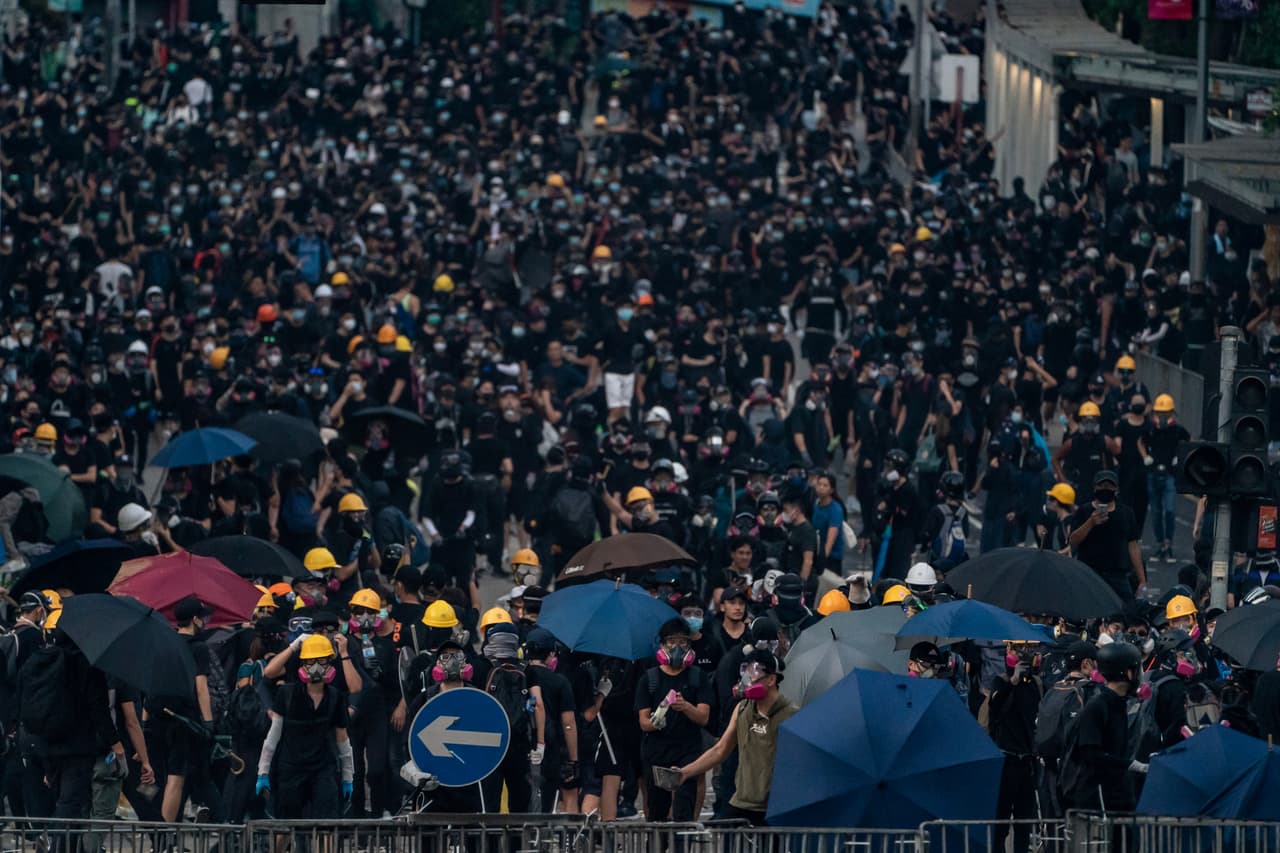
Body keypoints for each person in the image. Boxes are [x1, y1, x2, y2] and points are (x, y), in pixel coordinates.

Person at [676, 649, 796, 826]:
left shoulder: (790, 715)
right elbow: (720, 749)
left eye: (755, 674)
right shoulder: (742, 709)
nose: (748, 680)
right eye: (746, 672)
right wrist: (685, 772)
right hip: (742, 800)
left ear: (772, 679)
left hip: (773, 805)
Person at [255, 634, 354, 820]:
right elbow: (273, 736)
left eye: (321, 660)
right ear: (302, 664)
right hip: (291, 768)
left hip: (323, 768)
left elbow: (343, 739)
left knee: (326, 827)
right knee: (285, 827)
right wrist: (263, 772)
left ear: (330, 662)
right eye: (310, 661)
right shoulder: (286, 694)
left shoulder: (335, 697)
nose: (316, 666)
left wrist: (348, 776)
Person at [636, 618, 712, 822]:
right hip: (656, 752)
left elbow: (704, 717)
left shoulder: (698, 677)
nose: (677, 647)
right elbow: (643, 722)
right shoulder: (649, 679)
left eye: (683, 642)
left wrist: (686, 707)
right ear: (662, 645)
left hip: (688, 751)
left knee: (683, 807)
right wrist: (656, 721)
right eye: (671, 642)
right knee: (657, 811)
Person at [1059, 641, 1147, 812]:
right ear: (1128, 673)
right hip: (1098, 800)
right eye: (1137, 669)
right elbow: (1090, 753)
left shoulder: (1119, 703)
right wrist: (1129, 765)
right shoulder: (1097, 706)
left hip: (1116, 796)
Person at [524, 628, 580, 813]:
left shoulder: (520, 675)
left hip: (522, 745)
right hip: (550, 748)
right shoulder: (560, 681)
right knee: (546, 803)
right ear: (550, 654)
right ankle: (542, 839)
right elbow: (568, 722)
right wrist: (573, 759)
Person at [1068, 470, 1147, 601]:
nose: (1106, 489)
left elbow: (1133, 547)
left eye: (1109, 486)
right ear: (1094, 488)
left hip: (1117, 574)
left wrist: (1142, 581)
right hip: (1089, 573)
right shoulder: (1084, 511)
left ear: (1116, 489)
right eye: (1102, 485)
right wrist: (1091, 522)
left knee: (1125, 613)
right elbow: (1072, 541)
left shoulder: (1126, 513)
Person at [1146, 394, 1189, 562]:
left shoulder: (1178, 430)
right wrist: (1146, 457)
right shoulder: (1150, 429)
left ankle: (1168, 543)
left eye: (1166, 413)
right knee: (1156, 511)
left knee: (1170, 510)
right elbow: (1141, 442)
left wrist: (1179, 457)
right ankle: (1159, 543)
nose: (1162, 417)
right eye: (1160, 413)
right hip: (1154, 473)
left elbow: (1188, 442)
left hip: (1170, 475)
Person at [1033, 483, 1077, 551]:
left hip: (1062, 560)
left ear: (1056, 502)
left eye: (1050, 498)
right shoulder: (1057, 518)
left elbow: (1073, 545)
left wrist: (1060, 553)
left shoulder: (1068, 522)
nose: (1048, 501)